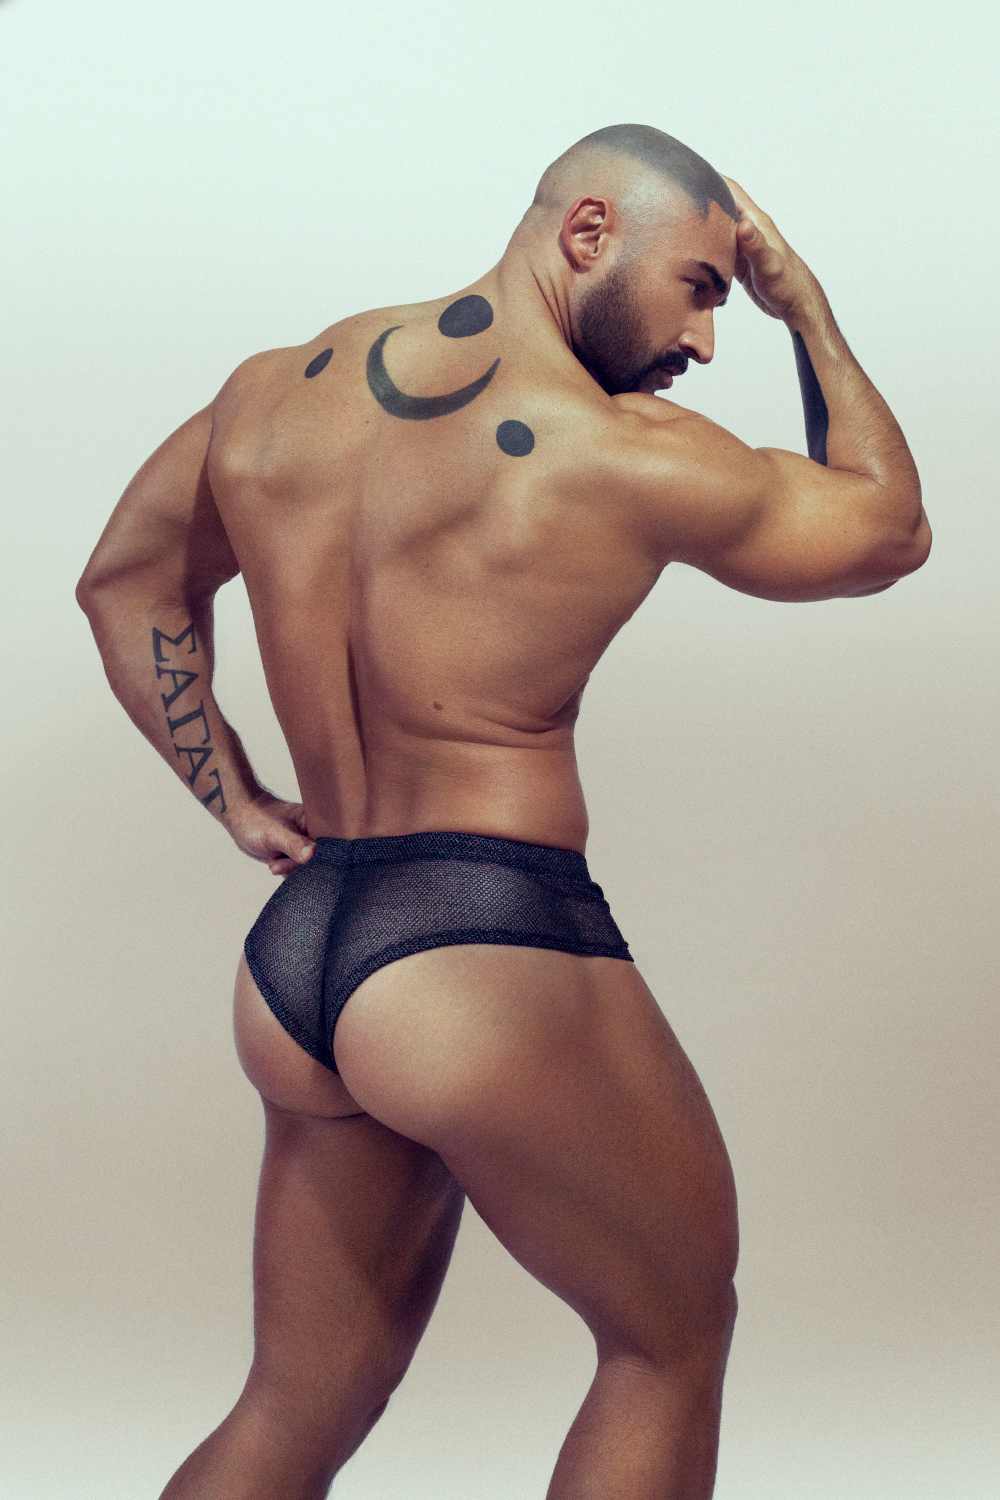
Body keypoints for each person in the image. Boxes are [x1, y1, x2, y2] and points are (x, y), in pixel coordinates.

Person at [75, 121, 931, 1499]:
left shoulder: (276, 394)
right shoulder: (618, 451)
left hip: (303, 952)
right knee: (668, 1344)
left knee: (291, 1409)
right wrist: (808, 309)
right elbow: (885, 531)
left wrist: (230, 792)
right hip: (482, 945)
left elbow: (123, 580)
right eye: (700, 289)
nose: (707, 339)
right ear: (588, 232)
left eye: (732, 302)